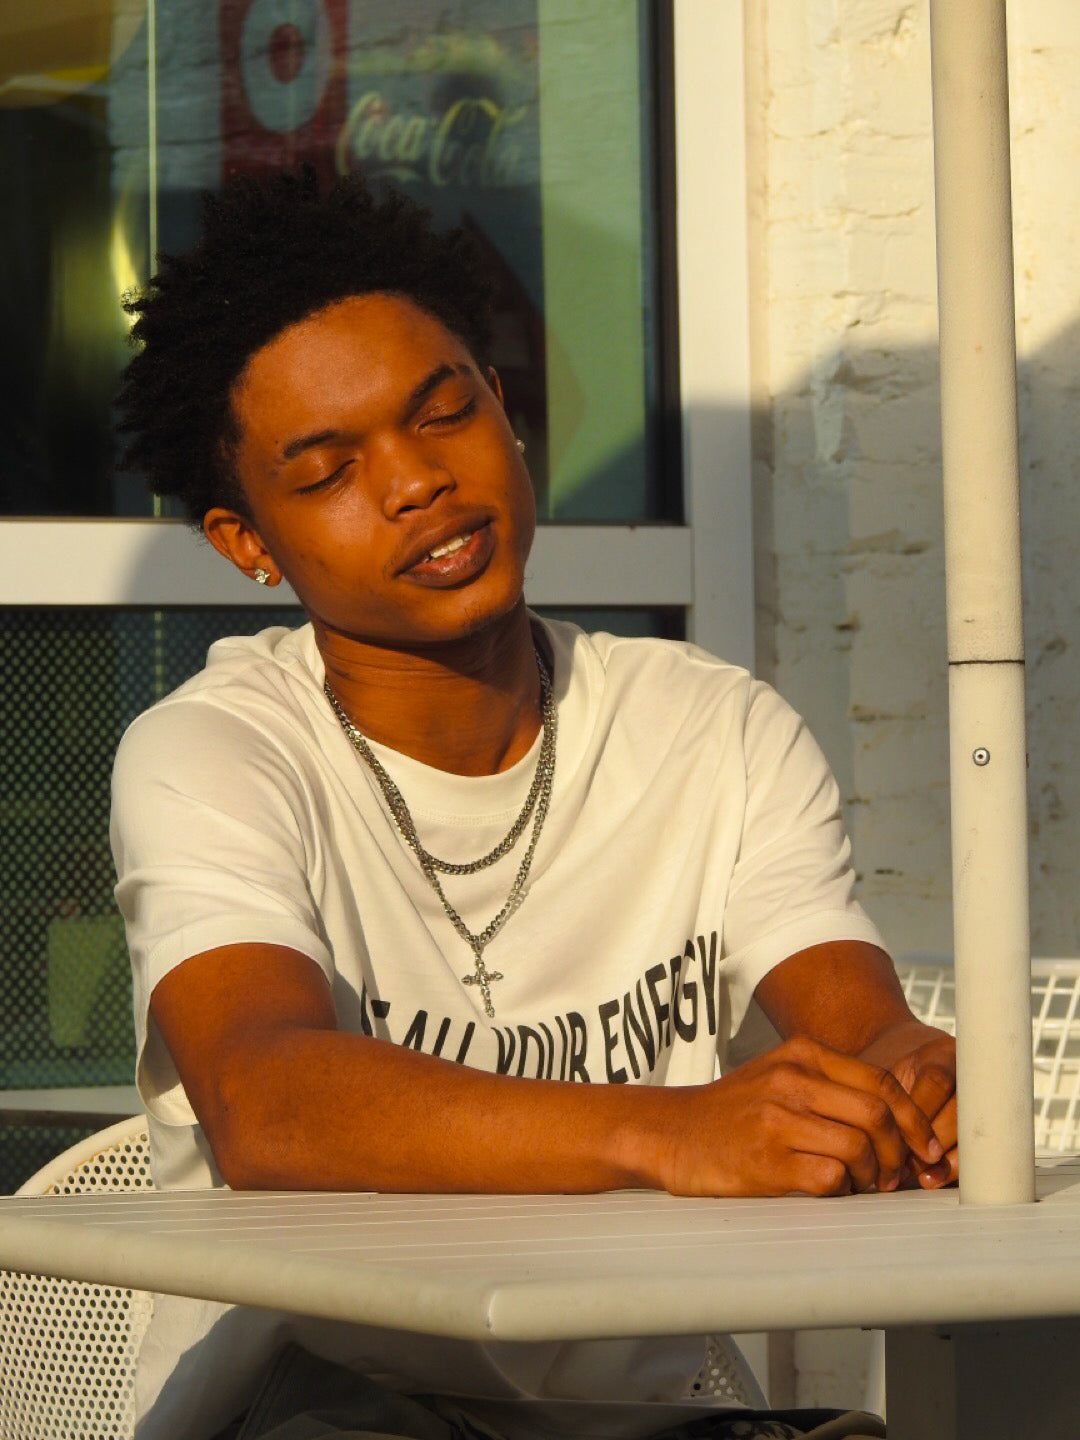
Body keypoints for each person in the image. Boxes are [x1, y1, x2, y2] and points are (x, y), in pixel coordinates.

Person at [110, 170, 957, 1440]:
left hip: (647, 1418)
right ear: (248, 543)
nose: (415, 483)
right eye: (330, 470)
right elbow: (264, 1100)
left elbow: (861, 1031)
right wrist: (672, 1133)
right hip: (329, 1405)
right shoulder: (212, 753)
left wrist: (918, 1090)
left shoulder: (710, 729)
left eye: (444, 413)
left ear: (505, 412)